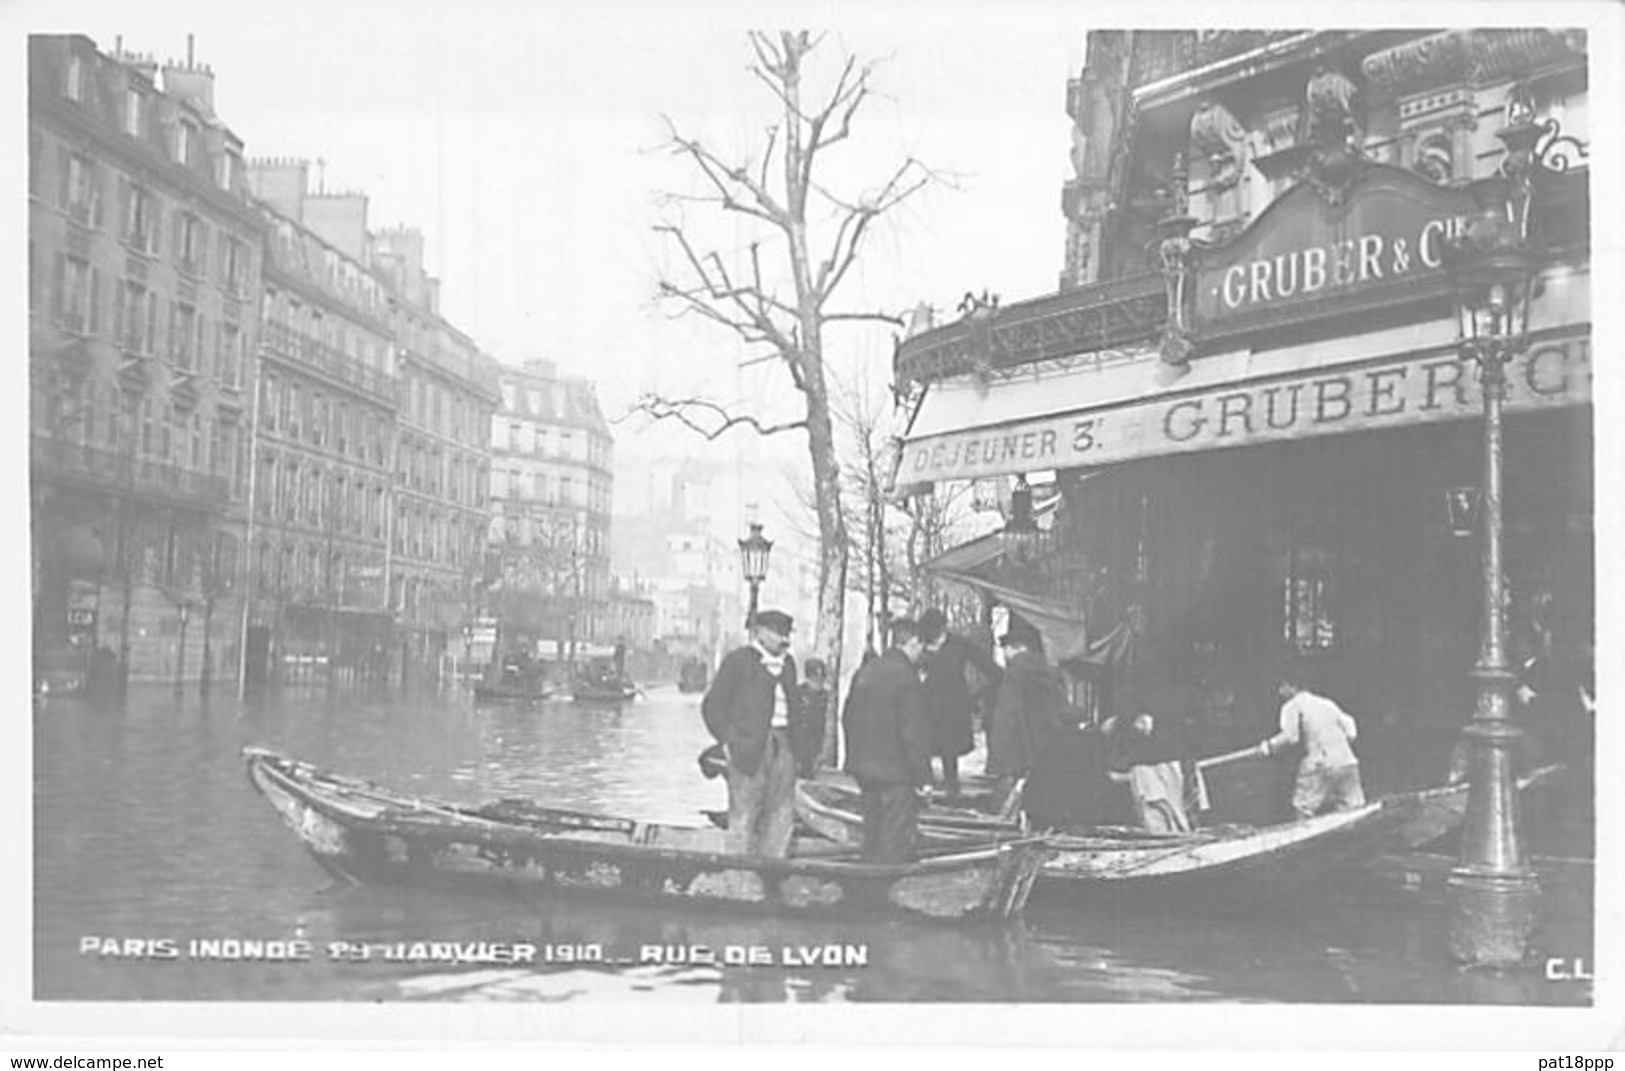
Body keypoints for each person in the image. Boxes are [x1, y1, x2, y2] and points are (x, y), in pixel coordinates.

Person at [700, 610, 819, 858]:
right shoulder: (739, 661)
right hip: (748, 749)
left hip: (784, 745)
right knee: (744, 812)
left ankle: (772, 870)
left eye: (786, 634)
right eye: (777, 634)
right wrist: (729, 741)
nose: (783, 640)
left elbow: (794, 709)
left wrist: (801, 752)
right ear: (760, 634)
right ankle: (739, 871)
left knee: (781, 813)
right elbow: (713, 706)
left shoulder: (788, 664)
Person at [842, 617, 933, 863]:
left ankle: (864, 886)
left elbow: (847, 716)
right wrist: (923, 777)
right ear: (913, 643)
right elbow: (913, 731)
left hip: (864, 769)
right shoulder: (906, 677)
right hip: (897, 772)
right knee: (895, 840)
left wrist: (854, 756)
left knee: (871, 833)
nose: (922, 653)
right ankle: (889, 891)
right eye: (921, 646)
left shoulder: (866, 671)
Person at [985, 616, 1067, 818]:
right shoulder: (1049, 670)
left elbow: (1007, 715)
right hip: (1047, 743)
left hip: (1019, 749)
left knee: (1011, 801)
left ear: (1013, 648)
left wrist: (998, 756)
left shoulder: (1015, 673)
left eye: (1005, 650)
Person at [1254, 670, 1366, 819]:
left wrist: (1269, 746)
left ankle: (1305, 838)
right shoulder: (1327, 703)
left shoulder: (1292, 706)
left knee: (1303, 808)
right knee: (1353, 809)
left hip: (1319, 763)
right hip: (1347, 762)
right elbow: (1351, 729)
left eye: (1282, 687)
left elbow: (1291, 737)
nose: (1280, 692)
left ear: (1291, 686)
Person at [917, 608, 1002, 799]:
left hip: (952, 710)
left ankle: (951, 793)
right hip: (924, 709)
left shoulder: (959, 645)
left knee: (949, 753)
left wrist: (975, 697)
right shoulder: (920, 646)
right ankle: (924, 791)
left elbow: (993, 672)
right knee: (920, 749)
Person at [1103, 693, 1193, 833]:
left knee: (1162, 812)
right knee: (1164, 812)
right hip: (1155, 766)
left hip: (1157, 766)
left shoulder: (1139, 728)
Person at [793, 657, 832, 778]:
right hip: (799, 741)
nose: (818, 683)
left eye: (821, 679)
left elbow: (825, 723)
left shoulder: (824, 696)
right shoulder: (798, 693)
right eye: (815, 679)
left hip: (815, 741)